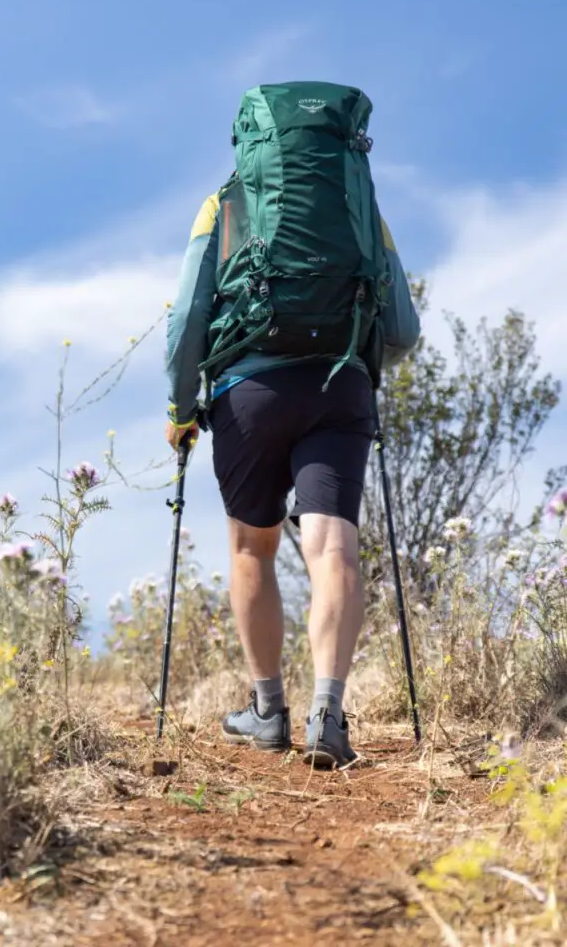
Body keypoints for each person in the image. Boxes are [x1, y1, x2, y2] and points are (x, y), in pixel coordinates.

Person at [164, 178, 421, 769]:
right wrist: (357, 364)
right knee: (333, 550)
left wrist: (180, 410)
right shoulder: (359, 207)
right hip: (340, 385)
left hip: (249, 393)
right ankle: (327, 715)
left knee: (252, 548)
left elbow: (188, 319)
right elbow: (403, 329)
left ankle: (268, 711)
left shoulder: (222, 206)